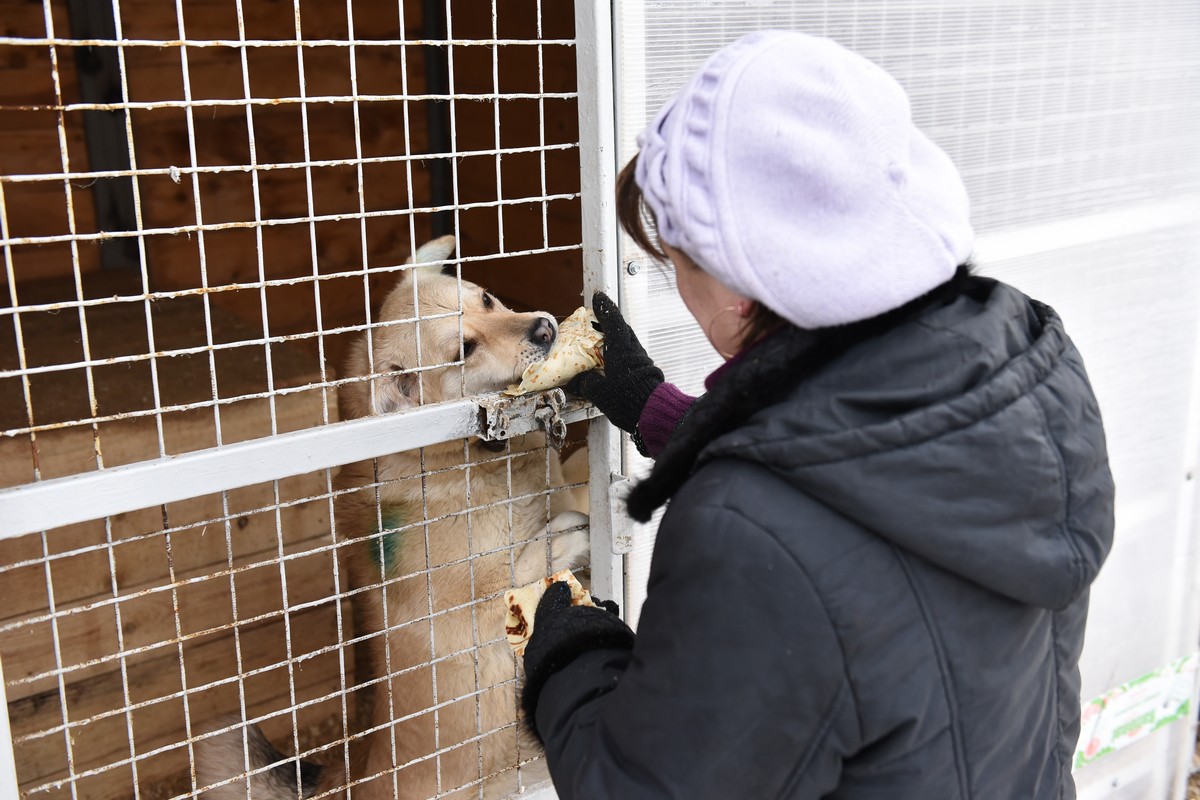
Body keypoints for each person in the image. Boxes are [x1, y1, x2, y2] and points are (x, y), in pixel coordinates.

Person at [520, 30, 1114, 799]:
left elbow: (637, 786)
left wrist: (573, 661)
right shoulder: (1019, 377)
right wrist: (661, 411)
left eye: (677, 262)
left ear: (738, 284)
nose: (679, 288)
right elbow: (868, 464)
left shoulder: (745, 535)